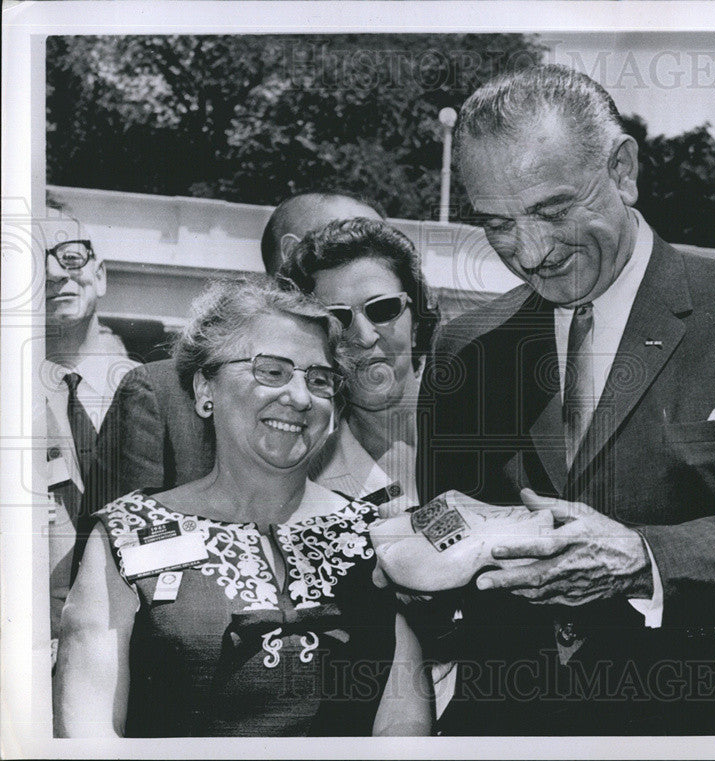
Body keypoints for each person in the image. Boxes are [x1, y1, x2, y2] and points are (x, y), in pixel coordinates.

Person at [413, 64, 715, 735]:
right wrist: (416, 555)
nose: (530, 252)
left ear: (624, 169)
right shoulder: (467, 348)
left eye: (553, 211)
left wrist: (648, 560)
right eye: (497, 224)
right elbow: (441, 521)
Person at [53, 276, 432, 737]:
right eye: (270, 371)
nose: (298, 397)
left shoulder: (377, 536)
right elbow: (86, 733)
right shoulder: (124, 537)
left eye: (319, 380)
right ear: (204, 390)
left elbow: (403, 723)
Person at [85, 191, 385, 512]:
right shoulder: (162, 395)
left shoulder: (378, 395)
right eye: (350, 248)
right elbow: (121, 540)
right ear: (291, 254)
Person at [279, 216, 439, 510]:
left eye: (383, 308)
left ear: (416, 326)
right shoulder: (303, 482)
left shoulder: (489, 430)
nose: (364, 337)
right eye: (337, 319)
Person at [41, 207, 138, 648]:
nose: (53, 273)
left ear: (99, 275)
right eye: (30, 261)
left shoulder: (164, 392)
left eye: (69, 256)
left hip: (138, 644)